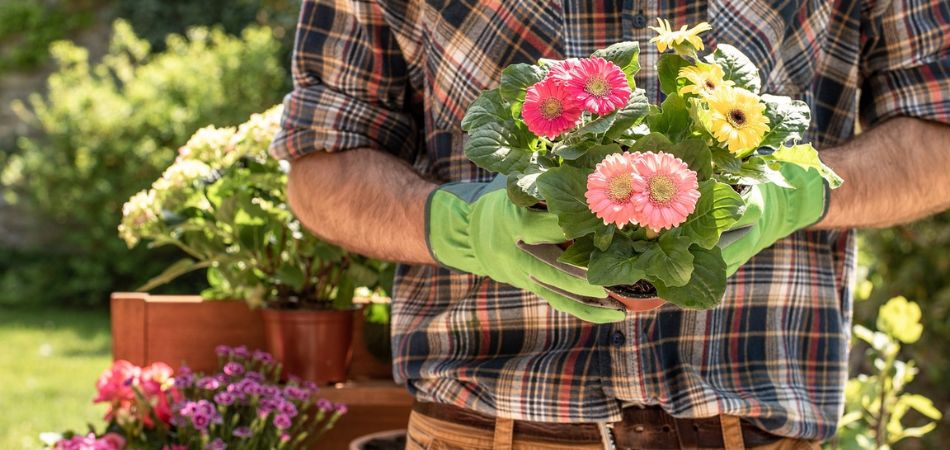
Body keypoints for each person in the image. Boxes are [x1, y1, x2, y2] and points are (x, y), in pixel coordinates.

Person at [271, 1, 950, 448]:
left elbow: (937, 135)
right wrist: (458, 224)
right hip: (484, 428)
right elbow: (323, 162)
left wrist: (799, 190)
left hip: (753, 431)